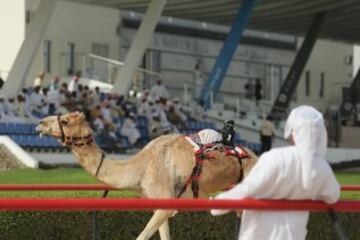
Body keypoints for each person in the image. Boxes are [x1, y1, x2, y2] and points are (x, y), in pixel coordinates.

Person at [211, 105, 340, 240]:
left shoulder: (276, 157)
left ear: (293, 131)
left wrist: (217, 205)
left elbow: (248, 189)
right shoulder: (321, 167)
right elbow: (332, 196)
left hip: (258, 234)